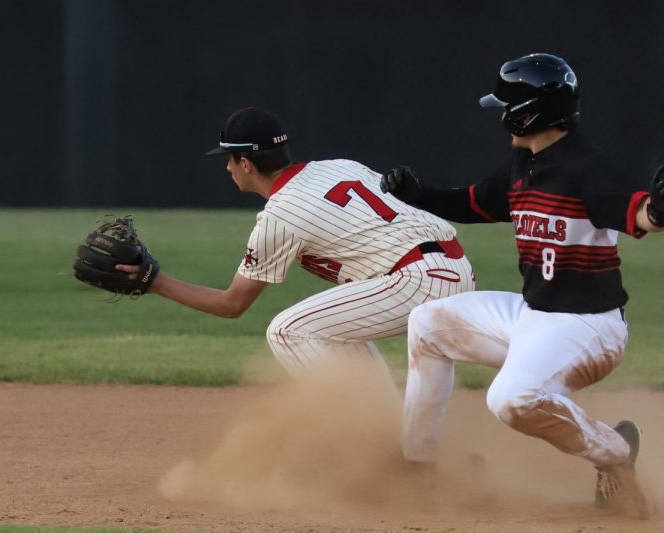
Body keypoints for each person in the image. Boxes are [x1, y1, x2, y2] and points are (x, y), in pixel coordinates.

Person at [379, 53, 664, 514]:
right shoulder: (523, 162)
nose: (500, 114)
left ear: (529, 112)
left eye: (506, 105)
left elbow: (641, 214)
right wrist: (418, 195)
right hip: (534, 315)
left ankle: (616, 450)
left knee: (510, 399)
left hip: (588, 328)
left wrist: (660, 209)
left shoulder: (587, 169)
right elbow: (475, 203)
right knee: (427, 324)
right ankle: (418, 466)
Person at [118, 106, 474, 384]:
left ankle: (371, 437)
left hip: (417, 279)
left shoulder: (281, 214)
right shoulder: (338, 166)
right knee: (330, 332)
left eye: (229, 159)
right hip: (455, 265)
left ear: (245, 163)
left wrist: (156, 282)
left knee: (289, 331)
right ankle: (397, 440)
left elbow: (232, 304)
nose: (227, 168)